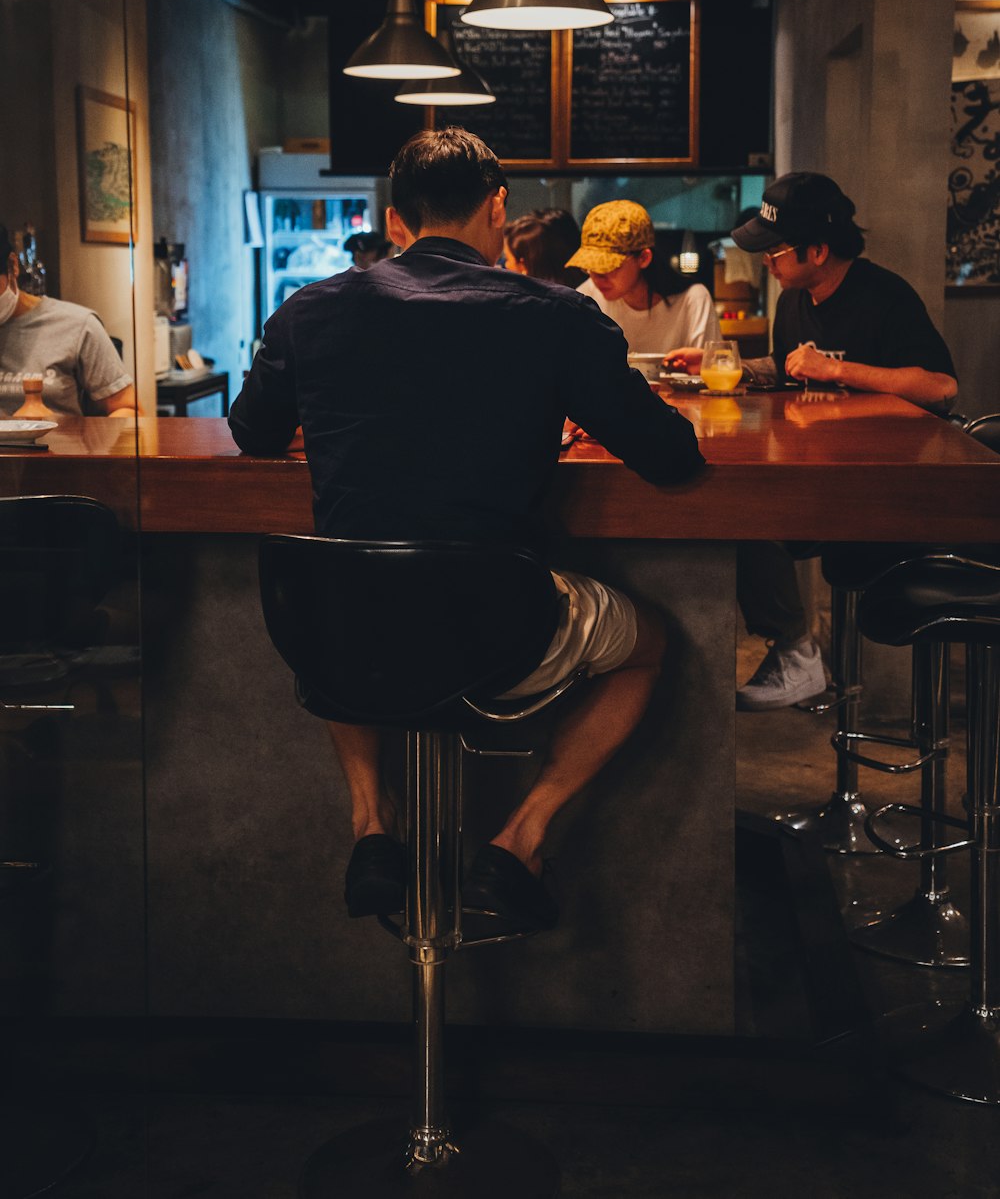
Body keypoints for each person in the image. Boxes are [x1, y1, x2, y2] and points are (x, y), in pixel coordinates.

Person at [229, 127, 705, 929]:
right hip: (499, 636)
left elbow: (252, 432)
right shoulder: (555, 315)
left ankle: (373, 826)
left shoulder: (308, 310)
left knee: (351, 589)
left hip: (340, 634)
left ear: (397, 217)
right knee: (652, 641)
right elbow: (668, 455)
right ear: (497, 206)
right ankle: (519, 837)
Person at [666, 171, 958, 710]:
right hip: (820, 479)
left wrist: (834, 369)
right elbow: (787, 367)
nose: (767, 265)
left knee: (747, 510)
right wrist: (718, 363)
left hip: (888, 490)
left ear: (818, 250)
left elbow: (941, 387)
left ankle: (798, 656)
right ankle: (795, 650)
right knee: (730, 505)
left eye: (775, 253)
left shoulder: (884, 295)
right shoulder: (795, 300)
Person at [0, 223, 136, 418]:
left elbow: (128, 410)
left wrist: (73, 436)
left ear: (13, 266)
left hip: (61, 447)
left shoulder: (77, 325)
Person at [566, 199, 721, 354]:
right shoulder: (587, 297)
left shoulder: (692, 299)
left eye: (608, 266)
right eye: (590, 267)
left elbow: (715, 367)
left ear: (643, 258)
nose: (597, 278)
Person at [503, 208, 585, 286]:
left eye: (507, 259)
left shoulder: (522, 299)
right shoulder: (586, 293)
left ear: (524, 266)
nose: (505, 265)